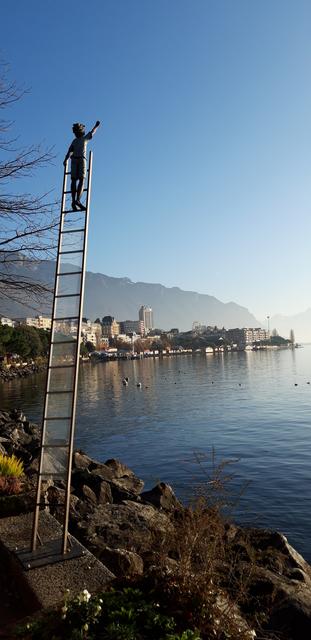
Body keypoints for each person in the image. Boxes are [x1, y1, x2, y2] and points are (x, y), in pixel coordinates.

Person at [63, 120, 100, 211]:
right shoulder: (83, 139)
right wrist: (96, 126)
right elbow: (92, 132)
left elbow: (69, 151)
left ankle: (74, 201)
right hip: (80, 160)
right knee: (81, 179)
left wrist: (66, 159)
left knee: (74, 180)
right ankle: (77, 200)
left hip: (74, 160)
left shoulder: (75, 141)